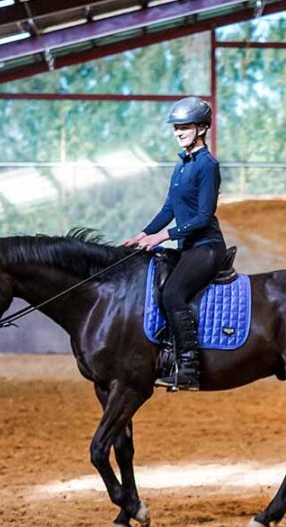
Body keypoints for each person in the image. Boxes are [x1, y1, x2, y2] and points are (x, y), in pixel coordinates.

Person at [123, 96, 226, 392]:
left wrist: (163, 236)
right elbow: (168, 208)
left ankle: (190, 367)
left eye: (184, 127)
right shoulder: (181, 165)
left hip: (206, 247)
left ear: (202, 128)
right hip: (187, 247)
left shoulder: (207, 165)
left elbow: (204, 216)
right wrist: (143, 234)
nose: (177, 132)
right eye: (175, 128)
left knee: (172, 293)